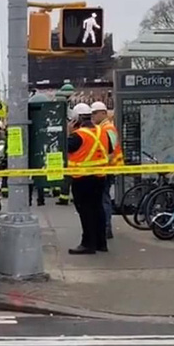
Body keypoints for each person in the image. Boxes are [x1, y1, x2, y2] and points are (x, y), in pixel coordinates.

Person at [67, 103, 112, 255]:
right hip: (100, 177)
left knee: (86, 212)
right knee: (98, 209)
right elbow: (111, 149)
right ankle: (101, 243)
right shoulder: (102, 131)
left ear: (75, 119)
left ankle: (87, 243)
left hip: (82, 180)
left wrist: (69, 132)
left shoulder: (77, 135)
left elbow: (66, 148)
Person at [91, 101, 123, 239]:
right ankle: (104, 227)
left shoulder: (107, 128)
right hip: (107, 167)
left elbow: (111, 149)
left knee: (104, 199)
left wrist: (102, 162)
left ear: (103, 113)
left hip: (108, 168)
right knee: (103, 198)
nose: (93, 116)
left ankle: (106, 228)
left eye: (94, 113)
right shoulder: (102, 127)